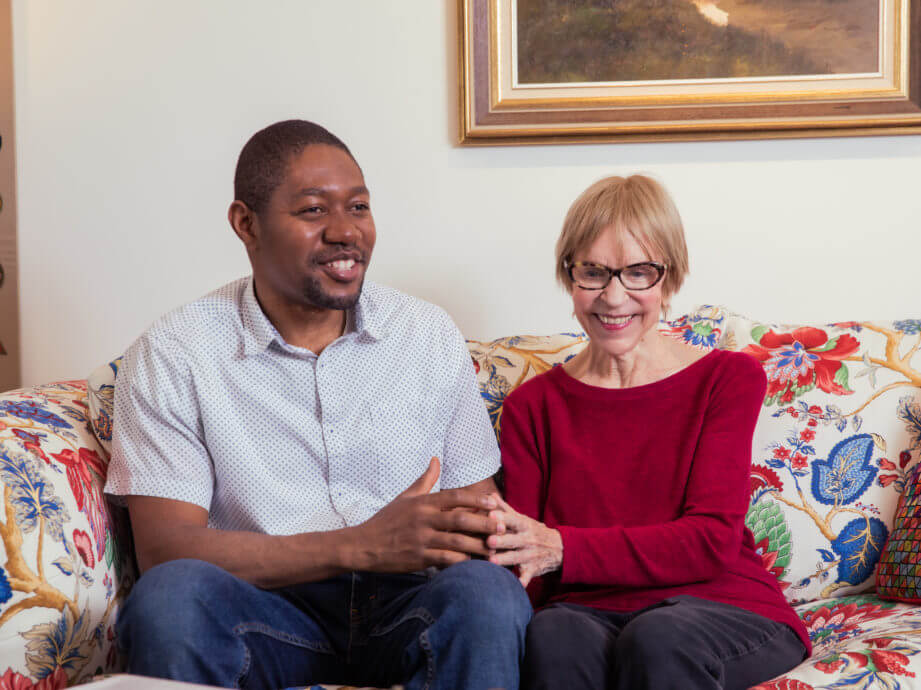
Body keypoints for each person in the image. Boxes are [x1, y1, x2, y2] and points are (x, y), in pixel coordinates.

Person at [105, 120, 531, 690]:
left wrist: (481, 530)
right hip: (264, 607)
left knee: (487, 595)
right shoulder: (177, 351)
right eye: (312, 211)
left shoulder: (425, 334)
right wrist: (359, 545)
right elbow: (166, 550)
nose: (344, 232)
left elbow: (478, 509)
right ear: (246, 224)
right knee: (171, 598)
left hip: (407, 605)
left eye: (358, 207)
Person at [485, 175, 810, 689]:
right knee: (553, 638)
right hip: (583, 613)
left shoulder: (725, 380)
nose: (614, 297)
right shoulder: (533, 407)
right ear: (569, 277)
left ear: (671, 278)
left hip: (724, 606)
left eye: (639, 273)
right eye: (593, 272)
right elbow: (527, 567)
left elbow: (710, 540)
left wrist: (566, 549)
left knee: (658, 637)